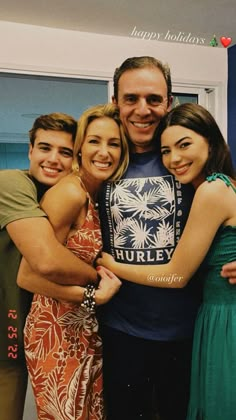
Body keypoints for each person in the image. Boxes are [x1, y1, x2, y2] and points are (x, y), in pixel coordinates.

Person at [96, 56, 236, 420]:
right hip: (121, 330)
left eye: (153, 99)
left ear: (168, 102)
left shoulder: (194, 162)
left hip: (193, 333)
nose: (142, 109)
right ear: (116, 103)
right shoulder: (104, 160)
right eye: (131, 99)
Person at [17, 103, 129, 419]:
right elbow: (27, 276)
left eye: (114, 143)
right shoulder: (69, 192)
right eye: (94, 141)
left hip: (87, 328)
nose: (104, 152)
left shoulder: (98, 193)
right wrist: (93, 293)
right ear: (80, 147)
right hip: (55, 329)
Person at [0, 111, 100, 420]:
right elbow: (45, 259)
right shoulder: (11, 183)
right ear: (30, 150)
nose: (53, 159)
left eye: (65, 152)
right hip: (6, 334)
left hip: (47, 334)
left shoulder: (67, 198)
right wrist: (97, 278)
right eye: (45, 148)